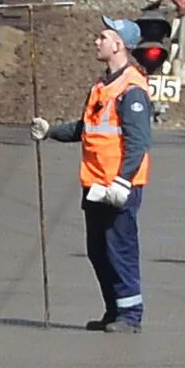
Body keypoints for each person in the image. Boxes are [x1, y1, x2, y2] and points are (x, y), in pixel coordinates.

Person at [31, 17, 156, 332]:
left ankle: (130, 316)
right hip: (96, 183)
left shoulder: (131, 90)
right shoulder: (102, 88)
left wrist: (123, 181)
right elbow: (86, 129)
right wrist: (50, 132)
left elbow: (139, 142)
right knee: (98, 250)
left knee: (120, 248)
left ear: (118, 44)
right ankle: (114, 310)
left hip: (118, 185)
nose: (95, 41)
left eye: (103, 37)